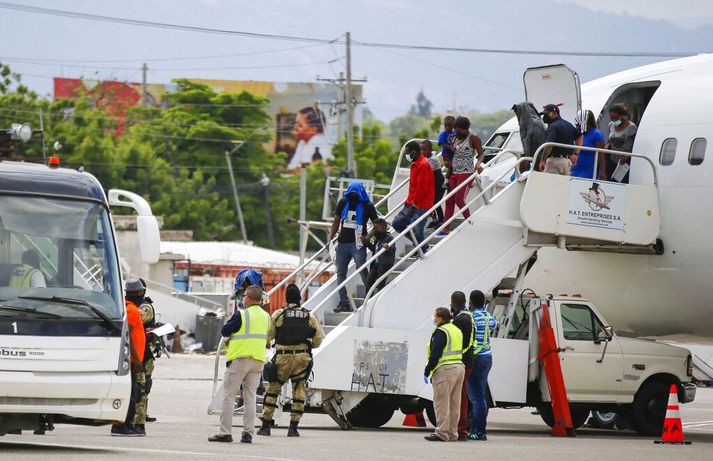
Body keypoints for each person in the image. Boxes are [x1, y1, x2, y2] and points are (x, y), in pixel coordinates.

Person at [258, 284, 324, 437]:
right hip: (302, 358)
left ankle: (266, 426)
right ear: (299, 299)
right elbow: (318, 340)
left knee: (273, 390)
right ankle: (293, 428)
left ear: (286, 299)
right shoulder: (310, 316)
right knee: (299, 391)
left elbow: (269, 336)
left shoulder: (279, 314)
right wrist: (307, 345)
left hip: (282, 357)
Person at [209, 285, 270, 444]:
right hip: (257, 361)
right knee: (250, 398)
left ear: (248, 298)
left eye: (244, 296)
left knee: (229, 396)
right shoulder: (266, 316)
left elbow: (225, 331)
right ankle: (248, 433)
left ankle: (225, 433)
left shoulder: (241, 314)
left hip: (240, 360)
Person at [331, 181, 379, 313]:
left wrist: (368, 236)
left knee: (361, 268)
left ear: (360, 193)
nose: (353, 196)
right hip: (342, 243)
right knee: (340, 273)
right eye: (350, 193)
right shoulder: (343, 203)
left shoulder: (367, 205)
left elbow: (377, 224)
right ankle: (343, 301)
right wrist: (330, 239)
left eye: (355, 194)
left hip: (358, 243)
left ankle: (370, 294)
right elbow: (336, 221)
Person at [424, 307, 465, 442]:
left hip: (445, 369)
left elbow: (435, 353)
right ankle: (452, 433)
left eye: (435, 316)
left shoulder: (441, 332)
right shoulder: (456, 330)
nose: (434, 319)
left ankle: (441, 433)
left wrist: (428, 370)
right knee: (454, 403)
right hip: (459, 368)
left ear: (440, 318)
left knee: (442, 403)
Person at [111, 279, 146, 437]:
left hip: (130, 358)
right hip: (132, 360)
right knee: (132, 393)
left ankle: (124, 424)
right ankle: (121, 426)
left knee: (131, 392)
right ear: (139, 293)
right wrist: (137, 359)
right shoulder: (131, 310)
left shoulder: (124, 306)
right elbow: (129, 336)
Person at [440, 116, 484, 235]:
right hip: (454, 172)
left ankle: (470, 224)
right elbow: (450, 151)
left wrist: (478, 164)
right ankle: (445, 228)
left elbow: (481, 154)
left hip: (466, 172)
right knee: (449, 201)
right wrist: (447, 161)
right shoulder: (455, 137)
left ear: (465, 129)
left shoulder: (473, 138)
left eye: (458, 130)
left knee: (459, 200)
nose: (456, 132)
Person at [392, 140, 434, 251]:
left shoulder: (423, 165)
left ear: (414, 152)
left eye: (408, 152)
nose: (407, 154)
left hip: (421, 205)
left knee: (417, 229)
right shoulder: (415, 164)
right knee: (397, 224)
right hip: (411, 203)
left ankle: (422, 248)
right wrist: (410, 203)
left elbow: (422, 188)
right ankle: (420, 245)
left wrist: (414, 206)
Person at [467, 290, 497, 441]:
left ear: (471, 302)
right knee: (481, 396)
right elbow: (494, 324)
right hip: (487, 357)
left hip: (476, 358)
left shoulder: (471, 317)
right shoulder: (488, 316)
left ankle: (478, 431)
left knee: (476, 398)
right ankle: (478, 430)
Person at [133, 279, 159, 434]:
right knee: (139, 385)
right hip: (138, 349)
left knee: (144, 384)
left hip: (145, 351)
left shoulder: (144, 306)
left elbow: (139, 320)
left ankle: (141, 415)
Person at [450, 291, 474, 441]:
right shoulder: (468, 315)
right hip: (468, 360)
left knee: (459, 397)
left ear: (453, 303)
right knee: (461, 396)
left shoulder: (460, 320)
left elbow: (459, 343)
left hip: (462, 362)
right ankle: (460, 429)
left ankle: (460, 429)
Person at [538, 104, 582, 175]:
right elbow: (580, 137)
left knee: (548, 185)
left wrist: (543, 160)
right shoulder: (568, 124)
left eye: (547, 114)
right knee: (563, 185)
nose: (544, 117)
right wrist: (576, 154)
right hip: (566, 163)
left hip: (554, 162)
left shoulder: (553, 127)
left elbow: (549, 145)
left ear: (555, 114)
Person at [606, 102, 638, 183]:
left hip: (625, 162)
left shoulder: (631, 127)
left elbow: (636, 145)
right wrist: (607, 146)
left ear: (621, 116)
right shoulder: (611, 125)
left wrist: (627, 156)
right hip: (613, 160)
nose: (613, 121)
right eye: (611, 119)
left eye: (615, 119)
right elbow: (609, 141)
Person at [571, 109, 607, 180]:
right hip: (574, 171)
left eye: (578, 124)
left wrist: (603, 173)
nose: (577, 126)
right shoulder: (578, 134)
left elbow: (601, 155)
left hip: (588, 173)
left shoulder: (597, 134)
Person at [364, 218, 396, 295]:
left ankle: (378, 301)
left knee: (380, 284)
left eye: (376, 228)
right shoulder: (378, 238)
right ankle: (368, 301)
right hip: (375, 264)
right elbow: (374, 250)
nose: (375, 230)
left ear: (384, 227)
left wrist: (388, 247)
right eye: (374, 228)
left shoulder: (389, 237)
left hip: (384, 264)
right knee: (368, 283)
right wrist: (367, 243)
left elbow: (393, 249)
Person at [422, 140, 446, 229]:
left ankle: (441, 220)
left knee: (435, 203)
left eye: (425, 150)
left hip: (438, 183)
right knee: (430, 203)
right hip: (432, 184)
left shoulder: (433, 159)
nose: (422, 152)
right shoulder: (426, 158)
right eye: (421, 150)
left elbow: (426, 172)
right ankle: (435, 220)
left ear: (430, 149)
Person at [438, 115, 457, 185]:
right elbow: (441, 143)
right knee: (451, 167)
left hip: (454, 153)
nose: (447, 127)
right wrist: (450, 147)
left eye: (449, 126)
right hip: (447, 154)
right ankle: (446, 182)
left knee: (456, 166)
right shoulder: (443, 134)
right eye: (445, 126)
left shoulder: (455, 133)